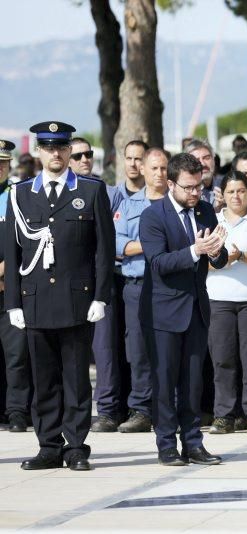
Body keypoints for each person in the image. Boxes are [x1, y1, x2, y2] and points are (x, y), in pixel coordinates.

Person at [5, 121, 115, 470]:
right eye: (49, 147)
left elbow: (103, 250)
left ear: (69, 151)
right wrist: (12, 303)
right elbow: (12, 250)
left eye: (62, 147)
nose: (56, 153)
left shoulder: (91, 190)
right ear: (38, 152)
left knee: (76, 377)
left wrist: (101, 296)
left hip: (76, 298)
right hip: (36, 299)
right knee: (44, 378)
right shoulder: (21, 193)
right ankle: (48, 445)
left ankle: (76, 445)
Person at [139, 152, 228, 466]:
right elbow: (159, 262)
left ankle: (193, 443)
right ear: (170, 184)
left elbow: (216, 257)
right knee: (164, 383)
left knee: (192, 382)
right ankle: (166, 445)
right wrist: (195, 250)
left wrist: (217, 252)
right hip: (162, 312)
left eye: (199, 187)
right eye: (189, 188)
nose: (195, 193)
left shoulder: (205, 210)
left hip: (196, 309)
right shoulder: (153, 216)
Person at [206, 172, 247, 435]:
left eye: (241, 191)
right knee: (222, 361)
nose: (236, 196)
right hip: (219, 299)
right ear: (222, 194)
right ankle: (224, 415)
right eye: (230, 192)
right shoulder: (213, 220)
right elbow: (201, 261)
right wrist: (224, 259)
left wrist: (240, 256)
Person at [70, 137, 126, 433]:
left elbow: (110, 240)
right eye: (77, 155)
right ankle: (71, 409)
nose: (84, 160)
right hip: (68, 282)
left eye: (88, 154)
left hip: (98, 280)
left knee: (104, 351)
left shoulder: (106, 191)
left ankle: (107, 410)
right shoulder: (55, 192)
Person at [114, 147, 170, 433]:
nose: (159, 174)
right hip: (137, 286)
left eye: (163, 168)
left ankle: (168, 408)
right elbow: (119, 245)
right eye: (154, 168)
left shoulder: (177, 204)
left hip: (170, 285)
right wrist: (155, 246)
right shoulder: (128, 205)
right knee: (137, 349)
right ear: (143, 170)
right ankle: (141, 408)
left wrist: (141, 247)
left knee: (170, 349)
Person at [0, 139, 31, 432]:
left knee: (17, 354)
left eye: (2, 163)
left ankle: (18, 411)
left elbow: (28, 239)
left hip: (11, 285)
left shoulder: (18, 195)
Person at [185, 139, 223, 211]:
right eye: (196, 159)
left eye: (206, 158)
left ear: (214, 160)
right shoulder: (183, 192)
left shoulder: (226, 185)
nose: (202, 164)